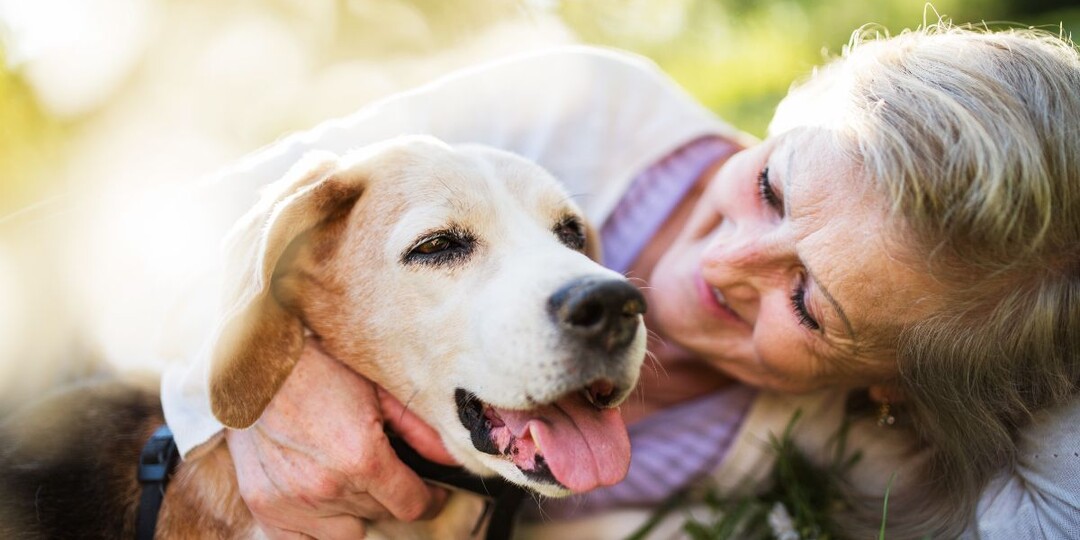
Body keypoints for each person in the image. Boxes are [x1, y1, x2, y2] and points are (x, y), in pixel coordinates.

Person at [159, 22, 1080, 539]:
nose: (720, 265)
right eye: (768, 187)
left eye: (808, 303)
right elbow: (163, 230)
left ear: (890, 382)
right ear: (793, 106)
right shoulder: (586, 105)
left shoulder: (849, 439)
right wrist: (248, 389)